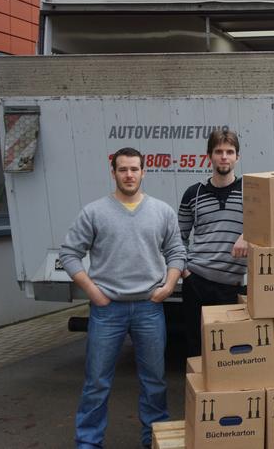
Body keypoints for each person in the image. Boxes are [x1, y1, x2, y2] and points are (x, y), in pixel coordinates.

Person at [59, 147, 185, 448]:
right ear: (113, 172)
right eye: (123, 169)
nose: (129, 175)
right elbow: (69, 254)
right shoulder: (94, 212)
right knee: (97, 383)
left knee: (154, 381)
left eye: (134, 169)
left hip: (149, 309)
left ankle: (153, 439)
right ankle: (88, 442)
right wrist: (93, 292)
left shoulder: (162, 211)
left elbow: (177, 252)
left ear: (144, 172)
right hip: (107, 310)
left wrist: (168, 287)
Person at [178, 129, 248, 358]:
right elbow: (178, 237)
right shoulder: (193, 194)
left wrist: (247, 234)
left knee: (231, 352)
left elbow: (270, 228)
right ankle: (199, 394)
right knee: (196, 349)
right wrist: (186, 272)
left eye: (229, 152)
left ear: (238, 157)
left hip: (234, 287)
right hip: (197, 283)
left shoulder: (252, 192)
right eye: (219, 151)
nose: (224, 157)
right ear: (209, 156)